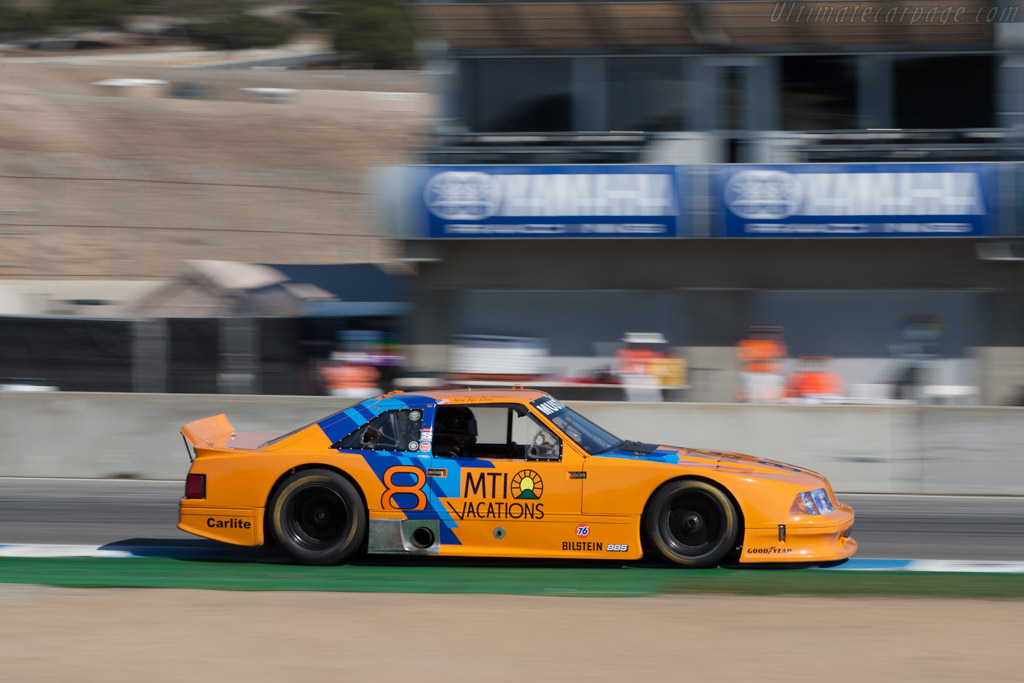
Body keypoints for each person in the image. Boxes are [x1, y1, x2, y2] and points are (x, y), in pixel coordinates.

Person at [736, 325, 788, 403]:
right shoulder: (747, 344)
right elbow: (743, 360)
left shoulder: (776, 344)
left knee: (770, 400)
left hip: (770, 375)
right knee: (754, 399)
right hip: (753, 375)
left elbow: (780, 360)